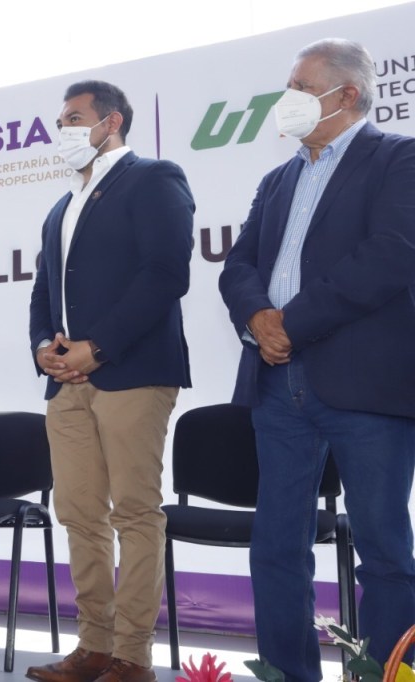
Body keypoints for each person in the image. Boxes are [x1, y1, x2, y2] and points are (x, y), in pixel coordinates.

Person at [220, 38, 415, 682]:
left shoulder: (399, 158)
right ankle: (285, 673)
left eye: (301, 87)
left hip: (365, 383)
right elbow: (239, 265)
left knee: (384, 551)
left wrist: (291, 323)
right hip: (277, 382)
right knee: (276, 546)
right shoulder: (278, 179)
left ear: (346, 94)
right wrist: (258, 318)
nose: (289, 98)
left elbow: (391, 254)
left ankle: (388, 675)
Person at [26, 81, 194, 682]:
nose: (63, 130)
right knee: (78, 512)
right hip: (66, 384)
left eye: (74, 118)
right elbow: (43, 289)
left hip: (133, 372)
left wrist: (97, 348)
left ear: (111, 121)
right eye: (60, 121)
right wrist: (44, 347)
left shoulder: (154, 177)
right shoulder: (61, 205)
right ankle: (93, 646)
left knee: (135, 512)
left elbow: (166, 273)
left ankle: (131, 656)